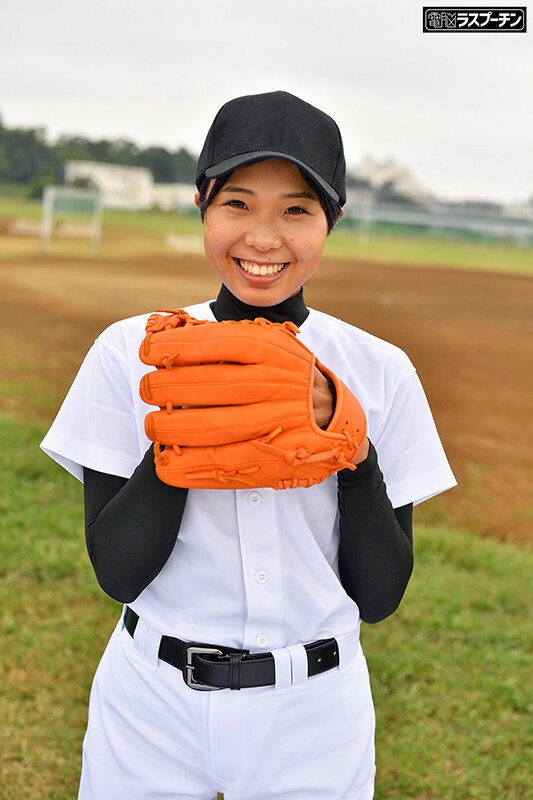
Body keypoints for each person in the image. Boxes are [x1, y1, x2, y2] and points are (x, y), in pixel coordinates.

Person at [40, 91, 456, 800]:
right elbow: (117, 572)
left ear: (333, 221)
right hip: (150, 705)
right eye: (237, 203)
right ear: (202, 203)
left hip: (314, 716)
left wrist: (350, 448)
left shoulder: (377, 370)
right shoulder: (133, 353)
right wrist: (185, 418)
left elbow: (379, 595)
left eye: (296, 210)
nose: (263, 238)